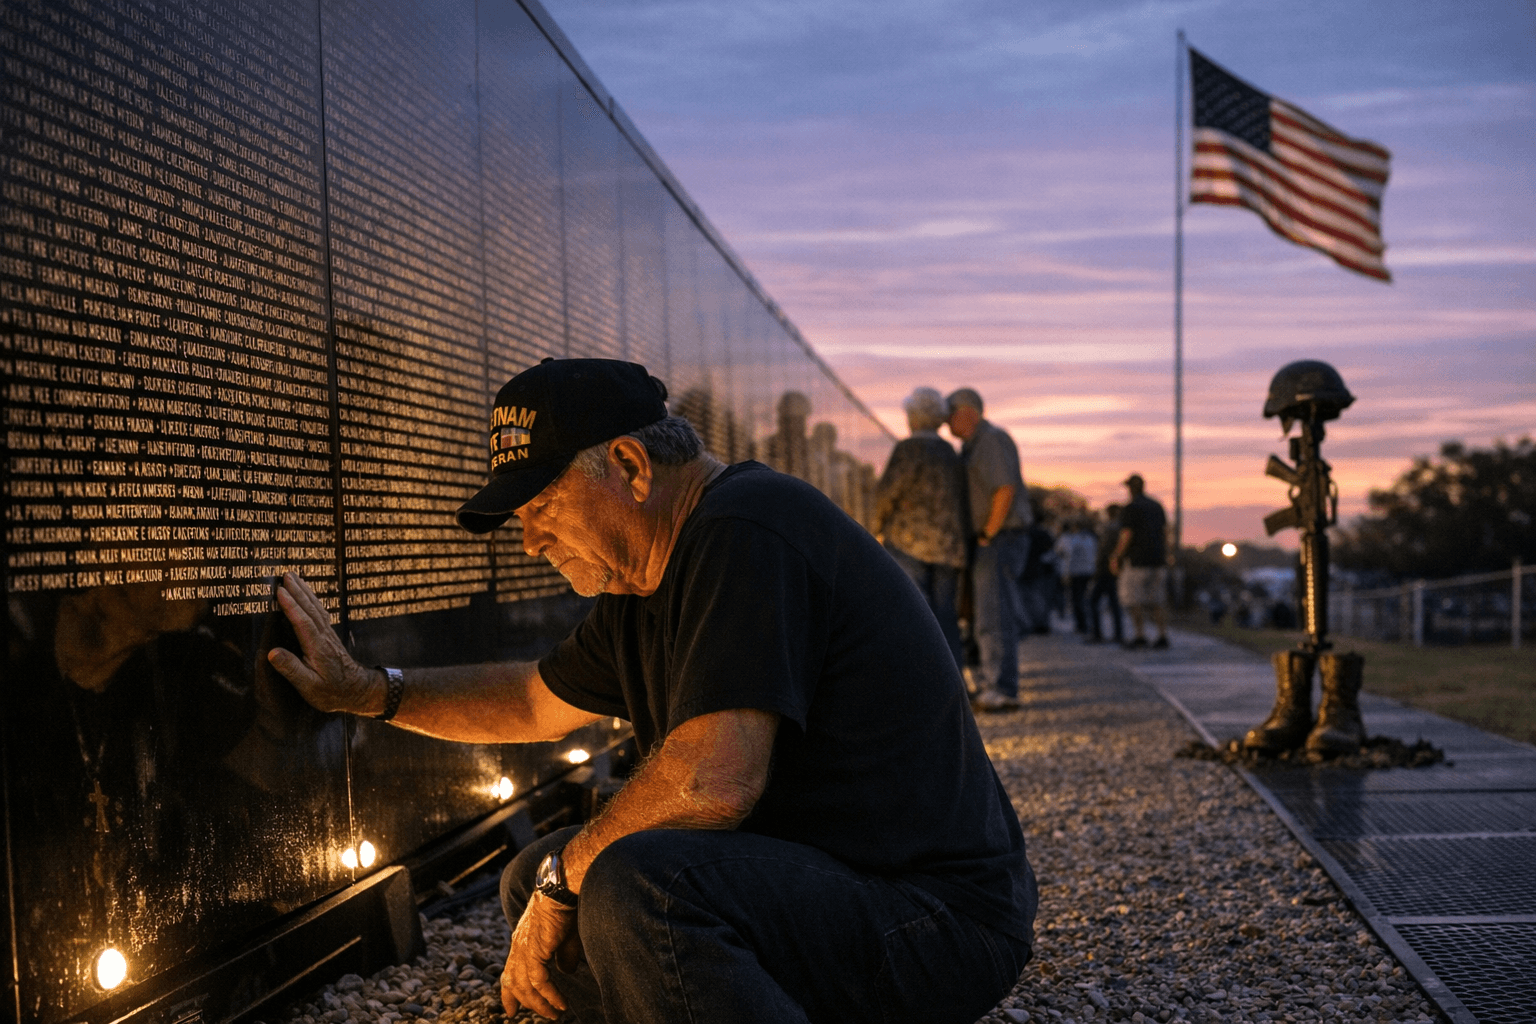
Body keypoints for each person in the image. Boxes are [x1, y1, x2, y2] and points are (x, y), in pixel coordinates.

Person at [268, 359, 1037, 1024]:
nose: (529, 541)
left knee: (632, 888)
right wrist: (369, 692)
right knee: (533, 879)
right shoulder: (645, 580)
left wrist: (567, 881)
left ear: (632, 468)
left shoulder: (748, 528)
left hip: (935, 919)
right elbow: (535, 700)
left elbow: (715, 780)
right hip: (832, 886)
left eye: (541, 508)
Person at [945, 388, 1033, 713]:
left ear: (969, 412)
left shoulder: (990, 440)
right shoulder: (975, 444)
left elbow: (1004, 488)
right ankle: (994, 683)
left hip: (999, 539)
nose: (947, 421)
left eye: (951, 414)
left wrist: (988, 532)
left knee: (993, 615)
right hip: (995, 539)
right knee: (987, 613)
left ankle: (1001, 689)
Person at [873, 386, 968, 669]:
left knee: (914, 615)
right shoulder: (950, 452)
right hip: (949, 546)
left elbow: (888, 492)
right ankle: (953, 679)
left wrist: (873, 527)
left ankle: (921, 679)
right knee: (946, 616)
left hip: (909, 542)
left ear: (914, 416)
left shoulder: (908, 448)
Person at [1110, 474, 1169, 649]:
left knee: (1134, 600)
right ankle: (1162, 636)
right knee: (1156, 600)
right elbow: (1165, 532)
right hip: (1158, 559)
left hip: (1137, 560)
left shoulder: (1130, 508)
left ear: (1130, 489)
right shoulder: (1156, 506)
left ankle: (1140, 635)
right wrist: (1167, 554)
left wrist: (1116, 556)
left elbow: (1126, 534)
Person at [1086, 504, 1125, 644]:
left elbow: (1103, 551)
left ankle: (1097, 634)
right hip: (1117, 570)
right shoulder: (1121, 528)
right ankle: (1118, 634)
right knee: (1114, 603)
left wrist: (1098, 569)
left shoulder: (1109, 528)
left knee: (1093, 601)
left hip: (1105, 570)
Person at [1054, 519, 1097, 635]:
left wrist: (1066, 573)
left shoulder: (1073, 539)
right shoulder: (1091, 538)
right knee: (1085, 598)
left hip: (1076, 572)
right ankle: (1088, 624)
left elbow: (1070, 558)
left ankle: (1081, 625)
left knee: (1076, 600)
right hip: (1089, 571)